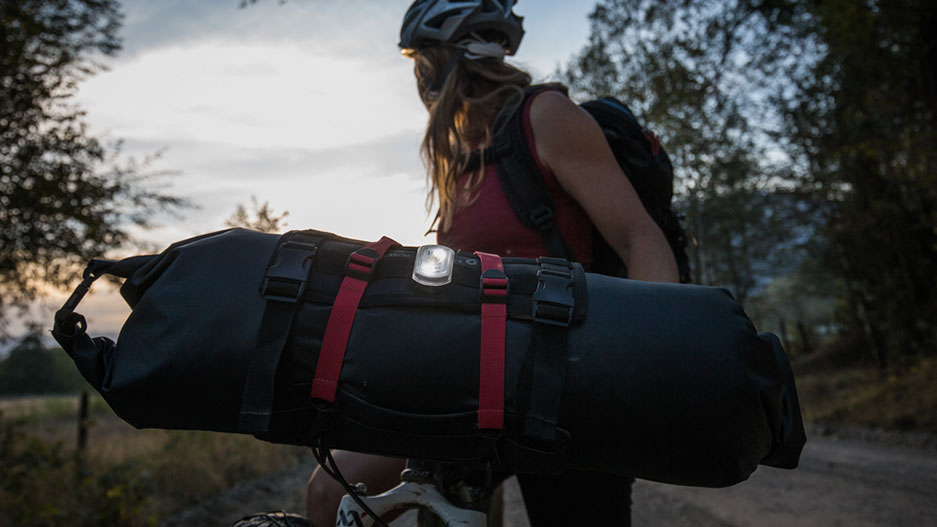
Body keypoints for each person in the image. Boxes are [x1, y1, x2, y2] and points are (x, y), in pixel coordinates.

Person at [306, 1, 679, 525]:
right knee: (330, 493)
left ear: (442, 63)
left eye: (421, 62)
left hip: (565, 383)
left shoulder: (545, 117)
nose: (419, 81)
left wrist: (648, 363)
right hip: (473, 380)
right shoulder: (461, 157)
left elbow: (640, 237)